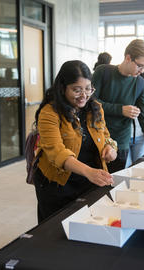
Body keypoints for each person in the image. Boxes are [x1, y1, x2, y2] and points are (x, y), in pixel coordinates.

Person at [33, 60, 117, 223]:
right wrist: (88, 171)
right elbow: (57, 152)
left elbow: (106, 136)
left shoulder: (95, 108)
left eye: (88, 89)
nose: (84, 95)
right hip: (58, 185)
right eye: (76, 90)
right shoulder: (50, 113)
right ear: (62, 88)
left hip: (90, 182)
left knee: (90, 225)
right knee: (56, 230)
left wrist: (111, 147)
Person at [92, 39, 144, 173]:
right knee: (93, 188)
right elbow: (91, 103)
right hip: (96, 138)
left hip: (120, 144)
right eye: (140, 66)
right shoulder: (103, 72)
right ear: (128, 58)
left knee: (112, 185)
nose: (142, 71)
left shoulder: (140, 84)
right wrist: (120, 110)